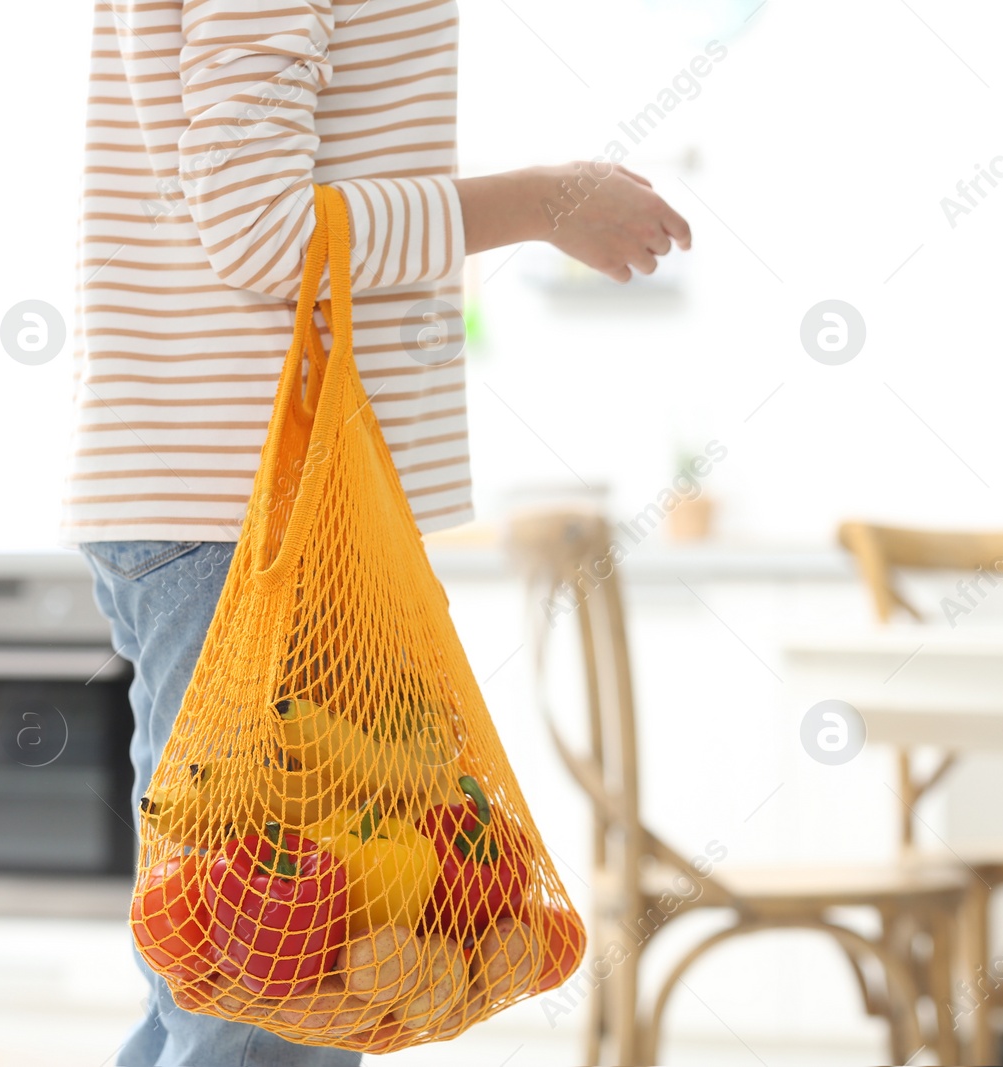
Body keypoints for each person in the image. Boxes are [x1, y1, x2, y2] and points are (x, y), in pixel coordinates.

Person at [65, 3, 691, 1063]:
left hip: (225, 503)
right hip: (258, 513)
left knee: (221, 983)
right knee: (272, 1011)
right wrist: (546, 201)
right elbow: (261, 229)